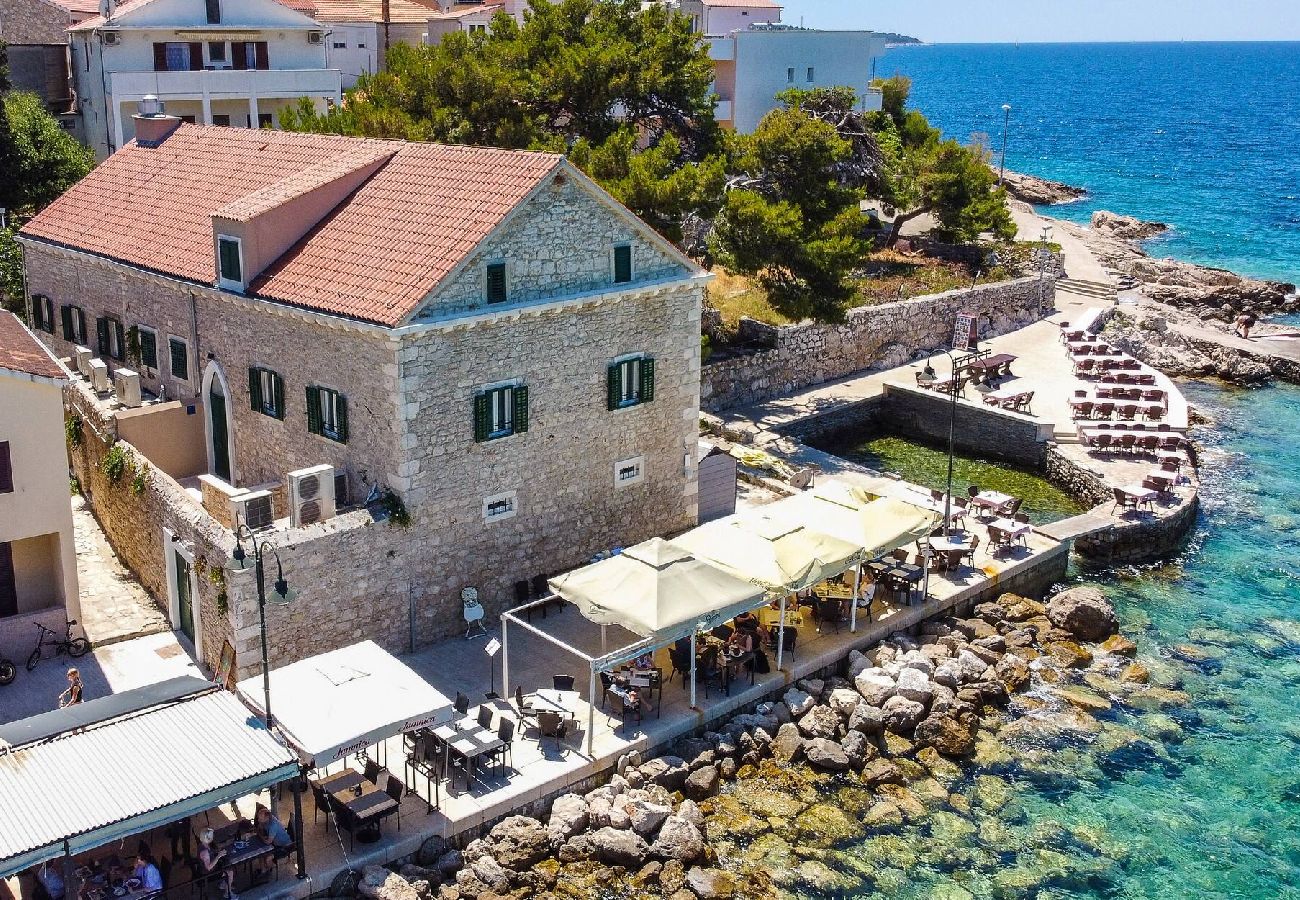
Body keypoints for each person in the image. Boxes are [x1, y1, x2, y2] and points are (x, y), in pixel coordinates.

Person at [253, 805, 293, 880]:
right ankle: (263, 870)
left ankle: (269, 868)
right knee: (260, 853)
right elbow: (260, 828)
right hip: (275, 843)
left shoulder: (273, 825)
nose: (258, 820)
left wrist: (260, 836)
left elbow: (268, 842)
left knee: (268, 857)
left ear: (266, 817)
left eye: (260, 818)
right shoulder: (267, 820)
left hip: (284, 847)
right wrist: (260, 826)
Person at [197, 828, 235, 900]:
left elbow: (210, 854)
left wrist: (217, 852)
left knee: (227, 864)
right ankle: (228, 893)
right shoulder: (204, 852)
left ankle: (224, 884)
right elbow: (209, 867)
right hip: (209, 873)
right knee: (230, 872)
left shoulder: (202, 844)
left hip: (206, 869)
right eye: (212, 836)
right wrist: (218, 856)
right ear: (208, 838)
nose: (213, 837)